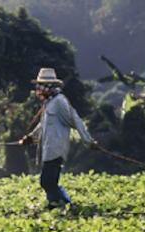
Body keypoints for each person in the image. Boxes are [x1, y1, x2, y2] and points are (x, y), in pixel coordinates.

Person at [20, 68, 99, 209]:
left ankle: (63, 204)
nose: (39, 89)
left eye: (42, 85)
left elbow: (76, 120)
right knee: (48, 181)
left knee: (47, 181)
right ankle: (56, 204)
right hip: (48, 149)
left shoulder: (60, 102)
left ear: (50, 86)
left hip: (56, 148)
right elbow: (42, 126)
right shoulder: (49, 103)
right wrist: (31, 138)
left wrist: (88, 141)